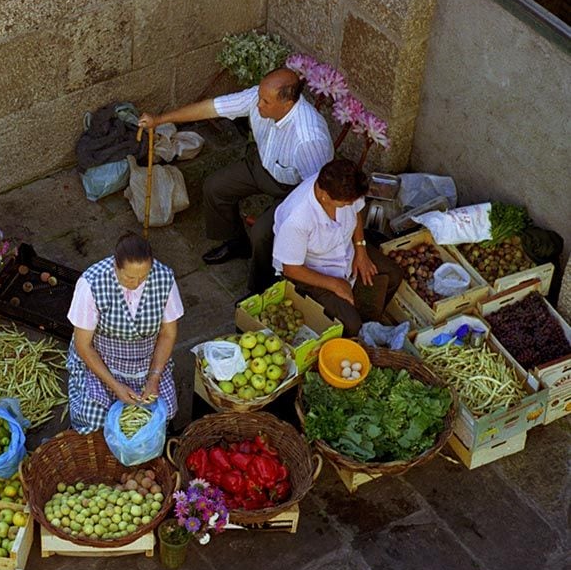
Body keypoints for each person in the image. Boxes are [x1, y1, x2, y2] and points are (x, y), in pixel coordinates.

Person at [139, 67, 333, 292]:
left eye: (265, 102)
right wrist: (159, 119)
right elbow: (211, 108)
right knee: (215, 187)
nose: (258, 105)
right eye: (259, 97)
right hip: (261, 165)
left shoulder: (308, 138)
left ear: (287, 104)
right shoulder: (259, 97)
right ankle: (237, 242)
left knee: (262, 232)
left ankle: (261, 287)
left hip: (297, 190)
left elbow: (320, 192)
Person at [66, 232, 184, 433]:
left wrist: (154, 377)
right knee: (94, 417)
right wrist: (114, 385)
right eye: (129, 277)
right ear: (115, 266)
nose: (137, 283)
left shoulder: (164, 278)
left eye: (143, 277)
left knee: (167, 410)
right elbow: (83, 345)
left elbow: (168, 334)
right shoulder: (92, 283)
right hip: (103, 361)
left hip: (146, 361)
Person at [272, 158, 403, 337]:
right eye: (344, 204)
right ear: (325, 196)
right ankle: (351, 333)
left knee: (393, 274)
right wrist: (335, 284)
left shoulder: (346, 186)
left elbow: (356, 213)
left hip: (346, 250)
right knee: (350, 325)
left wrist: (361, 250)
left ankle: (369, 322)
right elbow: (291, 269)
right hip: (312, 271)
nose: (349, 206)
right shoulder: (297, 219)